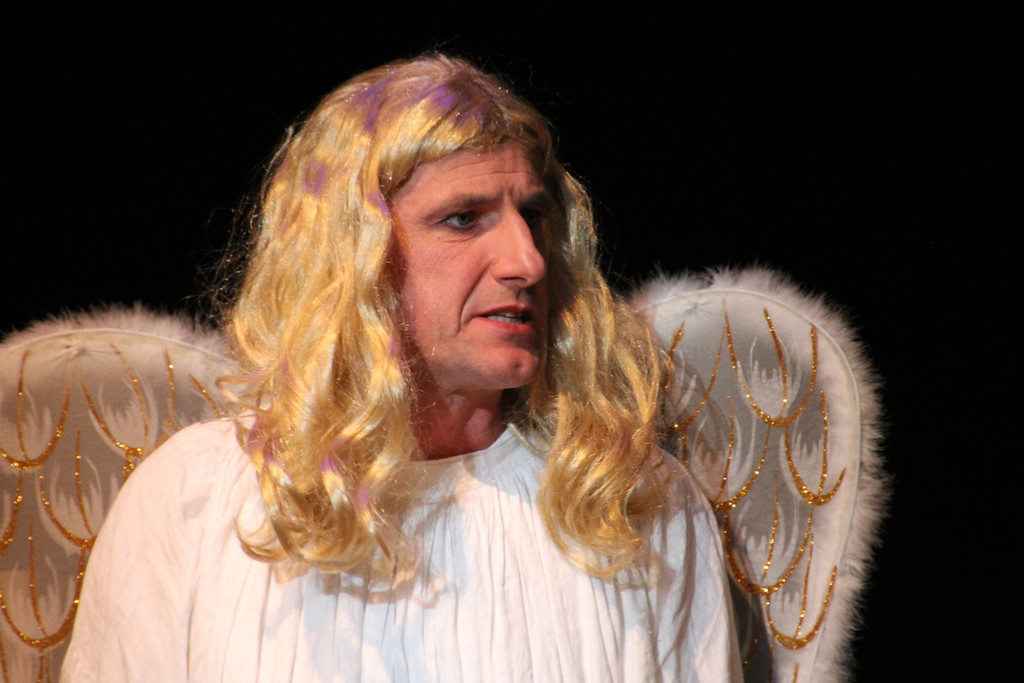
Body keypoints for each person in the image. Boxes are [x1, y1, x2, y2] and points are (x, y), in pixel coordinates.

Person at [62, 54, 740, 681]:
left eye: (532, 216)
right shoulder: (195, 500)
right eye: (464, 218)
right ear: (351, 256)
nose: (527, 261)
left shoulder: (627, 501)